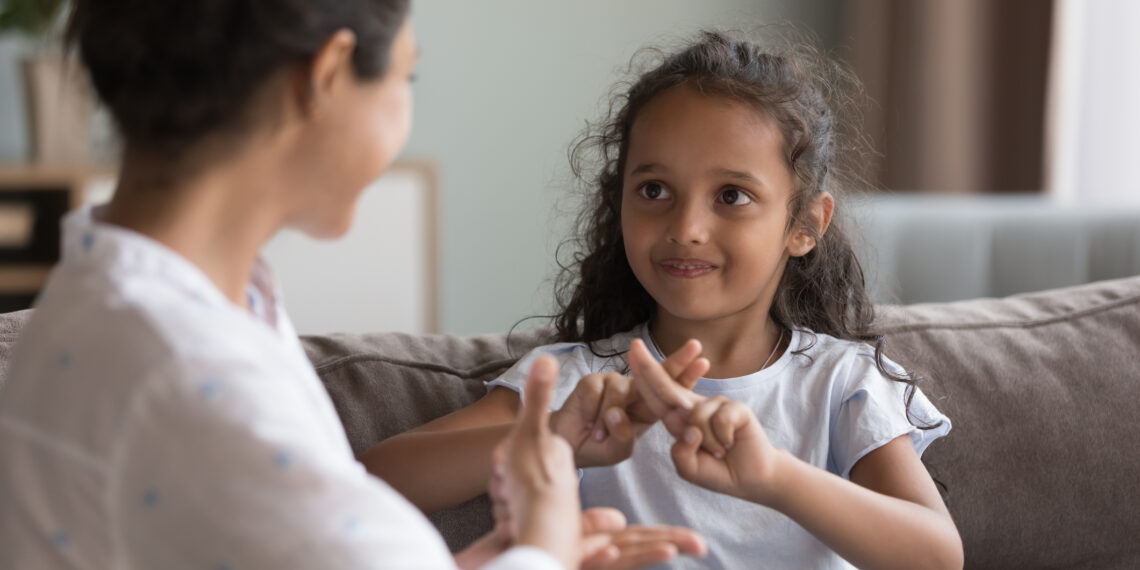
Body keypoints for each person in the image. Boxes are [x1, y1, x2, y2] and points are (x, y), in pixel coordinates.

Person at [0, 1, 706, 568]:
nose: (404, 119)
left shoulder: (113, 299)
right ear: (328, 73)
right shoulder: (188, 374)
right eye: (406, 80)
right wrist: (543, 543)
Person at [363, 30, 964, 568]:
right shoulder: (584, 383)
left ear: (805, 223)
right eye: (654, 189)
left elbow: (936, 556)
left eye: (731, 195)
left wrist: (776, 477)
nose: (686, 227)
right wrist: (556, 435)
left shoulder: (843, 383)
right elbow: (373, 479)